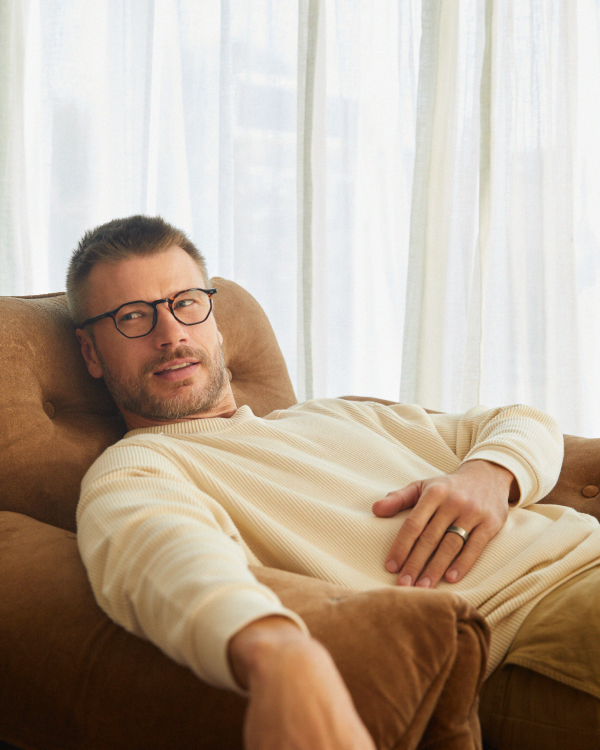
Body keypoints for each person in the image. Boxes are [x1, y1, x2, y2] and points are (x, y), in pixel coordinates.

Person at [68, 215, 600, 750]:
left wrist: (491, 473)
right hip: (538, 619)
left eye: (185, 303)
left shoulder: (333, 415)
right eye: (133, 317)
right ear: (91, 352)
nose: (172, 334)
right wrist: (279, 655)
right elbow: (162, 554)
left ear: (214, 320)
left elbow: (520, 419)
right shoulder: (141, 467)